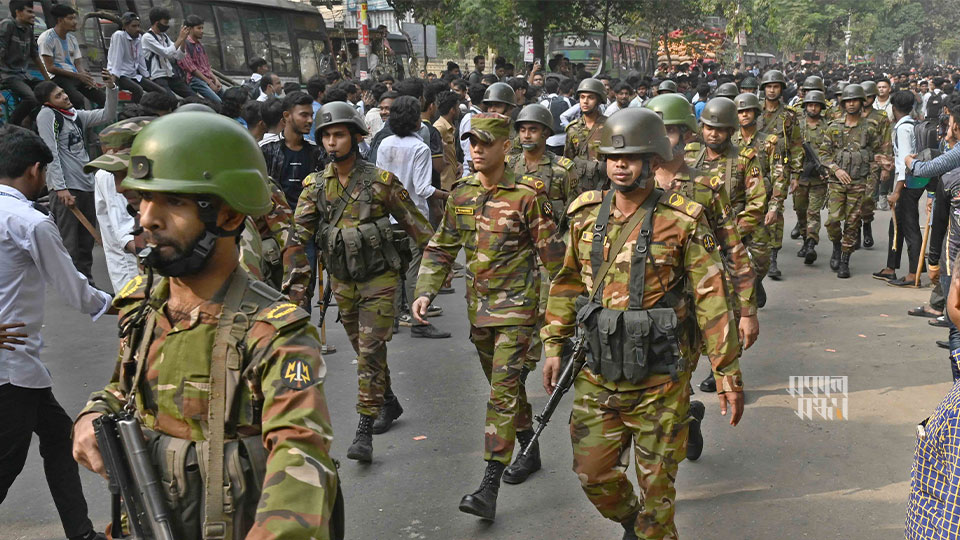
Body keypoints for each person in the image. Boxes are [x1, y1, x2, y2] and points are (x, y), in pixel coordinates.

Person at [70, 112, 340, 539]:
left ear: (230, 217)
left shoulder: (276, 336)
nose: (147, 219)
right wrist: (92, 414)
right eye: (142, 199)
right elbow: (124, 389)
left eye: (174, 202)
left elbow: (300, 455)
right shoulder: (144, 304)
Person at [541, 108, 743, 540]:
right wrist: (554, 344)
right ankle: (636, 522)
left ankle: (651, 527)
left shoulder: (683, 220)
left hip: (660, 380)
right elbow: (566, 283)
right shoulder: (584, 215)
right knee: (594, 477)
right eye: (613, 156)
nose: (619, 164)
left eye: (631, 156)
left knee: (658, 496)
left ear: (653, 160)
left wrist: (726, 372)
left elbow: (711, 299)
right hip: (598, 372)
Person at [411, 112, 563, 520]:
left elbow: (554, 262)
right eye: (470, 142)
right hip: (480, 314)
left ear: (505, 148)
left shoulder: (528, 196)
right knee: (507, 392)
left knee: (500, 394)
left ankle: (489, 485)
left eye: (484, 142)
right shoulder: (460, 194)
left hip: (518, 313)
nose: (476, 150)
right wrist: (425, 290)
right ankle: (528, 448)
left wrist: (553, 322)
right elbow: (441, 247)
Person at [294, 102, 434, 463]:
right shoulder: (314, 187)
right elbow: (298, 241)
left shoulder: (380, 182)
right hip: (342, 281)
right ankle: (388, 401)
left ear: (355, 137)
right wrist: (295, 294)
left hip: (380, 280)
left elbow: (421, 231)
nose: (331, 142)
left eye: (339, 134)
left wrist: (428, 283)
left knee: (370, 351)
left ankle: (363, 430)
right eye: (325, 135)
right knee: (363, 349)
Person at [0, 124, 112, 540]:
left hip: (21, 367)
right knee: (7, 463)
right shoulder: (30, 222)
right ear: (35, 170)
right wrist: (121, 305)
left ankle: (80, 533)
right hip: (11, 369)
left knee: (61, 439)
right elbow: (74, 289)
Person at [647, 93, 758, 400]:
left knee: (677, 379)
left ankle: (684, 420)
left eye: (667, 131)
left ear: (685, 134)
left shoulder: (705, 188)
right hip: (642, 305)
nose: (659, 140)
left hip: (694, 305)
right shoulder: (632, 186)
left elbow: (733, 248)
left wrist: (746, 310)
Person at [376, 96, 450, 338]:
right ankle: (419, 321)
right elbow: (422, 189)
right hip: (413, 217)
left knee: (394, 268)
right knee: (414, 270)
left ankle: (394, 320)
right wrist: (447, 195)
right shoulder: (420, 148)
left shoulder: (385, 144)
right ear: (417, 121)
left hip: (387, 215)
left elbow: (379, 181)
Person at [35, 74, 118, 283]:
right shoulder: (48, 116)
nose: (64, 96)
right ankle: (72, 286)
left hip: (85, 185)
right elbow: (50, 152)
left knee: (86, 240)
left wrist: (111, 88)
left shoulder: (74, 115)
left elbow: (107, 114)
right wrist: (60, 188)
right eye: (58, 95)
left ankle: (86, 282)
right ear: (48, 102)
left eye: (63, 92)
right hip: (66, 189)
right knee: (69, 241)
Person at [686, 98, 768, 305]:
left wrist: (730, 236)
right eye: (708, 128)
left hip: (734, 232)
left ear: (731, 131)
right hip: (697, 232)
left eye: (720, 129)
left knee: (757, 264)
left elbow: (757, 203)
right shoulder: (689, 157)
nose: (713, 134)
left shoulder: (744, 159)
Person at [820, 84, 884, 279]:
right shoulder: (834, 127)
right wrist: (836, 170)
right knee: (832, 221)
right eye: (848, 101)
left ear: (861, 102)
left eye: (855, 100)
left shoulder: (870, 128)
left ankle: (845, 259)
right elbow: (823, 154)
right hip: (837, 183)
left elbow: (878, 153)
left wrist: (874, 177)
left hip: (859, 182)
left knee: (852, 222)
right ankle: (836, 246)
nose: (851, 104)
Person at [83, 117, 148, 292]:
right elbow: (125, 232)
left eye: (125, 173)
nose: (120, 188)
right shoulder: (106, 176)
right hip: (131, 270)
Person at [733, 92, 785, 285]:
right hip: (736, 207)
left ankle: (757, 282)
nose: (744, 115)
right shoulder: (730, 142)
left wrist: (774, 207)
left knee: (761, 258)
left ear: (756, 113)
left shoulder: (769, 142)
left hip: (761, 208)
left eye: (748, 111)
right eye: (740, 112)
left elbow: (779, 176)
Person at [756, 69, 803, 281]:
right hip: (752, 166)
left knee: (776, 210)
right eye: (769, 86)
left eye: (775, 86)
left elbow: (795, 145)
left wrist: (795, 174)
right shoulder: (753, 111)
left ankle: (773, 257)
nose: (772, 90)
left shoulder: (789, 116)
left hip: (778, 167)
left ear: (781, 89)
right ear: (763, 89)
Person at [875, 90, 924, 286]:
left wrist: (897, 190)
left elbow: (906, 162)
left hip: (907, 183)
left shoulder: (903, 129)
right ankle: (891, 267)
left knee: (910, 227)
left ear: (893, 108)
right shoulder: (912, 125)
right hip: (911, 180)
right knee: (896, 226)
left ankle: (914, 274)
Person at [37, 4, 103, 110]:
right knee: (77, 99)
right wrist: (78, 76)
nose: (75, 22)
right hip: (57, 78)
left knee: (102, 97)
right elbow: (50, 68)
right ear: (60, 20)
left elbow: (78, 63)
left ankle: (93, 123)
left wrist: (85, 76)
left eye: (75, 18)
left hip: (74, 76)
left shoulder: (72, 39)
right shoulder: (47, 38)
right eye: (70, 18)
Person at [793, 90, 832, 265]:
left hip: (819, 178)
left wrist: (828, 169)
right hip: (800, 176)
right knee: (800, 210)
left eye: (816, 105)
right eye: (810, 105)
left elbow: (832, 151)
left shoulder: (827, 127)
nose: (813, 108)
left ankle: (811, 243)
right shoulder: (797, 126)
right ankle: (804, 235)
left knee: (813, 212)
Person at [260, 91, 317, 209]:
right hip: (276, 220)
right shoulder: (266, 149)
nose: (310, 120)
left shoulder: (317, 152)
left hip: (308, 219)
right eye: (304, 115)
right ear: (286, 116)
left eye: (311, 115)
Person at [0, 0, 50, 126]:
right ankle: (11, 127)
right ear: (18, 12)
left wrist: (48, 80)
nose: (33, 15)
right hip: (8, 75)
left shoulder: (28, 28)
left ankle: (29, 120)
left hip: (24, 75)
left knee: (50, 91)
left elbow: (35, 56)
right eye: (29, 11)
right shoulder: (7, 25)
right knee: (31, 98)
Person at [859, 80, 893, 250]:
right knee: (851, 200)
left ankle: (866, 225)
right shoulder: (848, 115)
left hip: (872, 163)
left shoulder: (881, 117)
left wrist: (885, 168)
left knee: (867, 198)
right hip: (851, 164)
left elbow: (886, 143)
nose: (866, 100)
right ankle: (853, 232)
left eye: (869, 97)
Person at [107, 12, 163, 103]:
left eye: (138, 26)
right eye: (134, 26)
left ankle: (150, 110)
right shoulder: (119, 36)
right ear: (125, 27)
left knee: (160, 91)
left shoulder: (138, 38)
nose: (137, 29)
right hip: (120, 75)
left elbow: (141, 60)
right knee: (138, 90)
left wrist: (147, 77)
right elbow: (116, 59)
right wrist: (113, 80)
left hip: (133, 75)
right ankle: (133, 111)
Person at [140, 7, 194, 99]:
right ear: (157, 23)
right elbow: (167, 53)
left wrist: (183, 40)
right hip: (157, 76)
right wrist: (180, 38)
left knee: (192, 96)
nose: (167, 25)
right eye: (165, 23)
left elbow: (179, 56)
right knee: (170, 99)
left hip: (169, 73)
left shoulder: (164, 36)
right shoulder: (147, 37)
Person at [564, 78, 608, 191]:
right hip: (579, 186)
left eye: (591, 97)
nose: (585, 101)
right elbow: (568, 160)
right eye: (582, 97)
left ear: (599, 100)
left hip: (603, 185)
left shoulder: (609, 126)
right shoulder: (573, 128)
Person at [177, 15, 221, 104]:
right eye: (199, 28)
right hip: (195, 80)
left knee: (228, 99)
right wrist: (209, 83)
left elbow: (206, 67)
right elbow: (192, 69)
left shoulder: (199, 45)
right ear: (190, 29)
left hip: (206, 79)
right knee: (217, 102)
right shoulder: (185, 44)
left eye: (202, 28)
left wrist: (215, 79)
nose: (202, 31)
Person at [434, 90, 461, 191]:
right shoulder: (439, 128)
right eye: (457, 107)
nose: (459, 110)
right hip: (443, 185)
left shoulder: (449, 127)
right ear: (452, 110)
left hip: (451, 182)